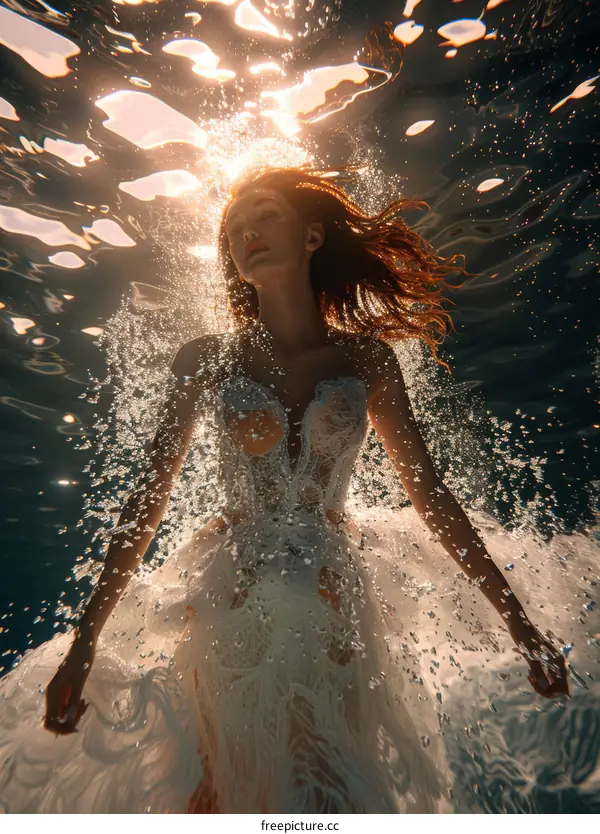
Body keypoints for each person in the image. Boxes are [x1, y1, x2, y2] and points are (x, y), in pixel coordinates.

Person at [0, 167, 569, 814]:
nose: (247, 233)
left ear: (313, 236)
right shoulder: (206, 358)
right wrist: (83, 648)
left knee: (321, 792)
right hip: (230, 600)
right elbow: (145, 506)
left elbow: (432, 498)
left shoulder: (367, 362)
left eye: (265, 215)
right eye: (234, 230)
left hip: (334, 602)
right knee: (215, 793)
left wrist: (521, 626)